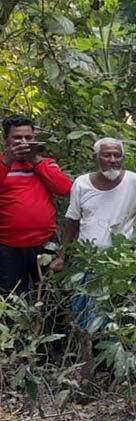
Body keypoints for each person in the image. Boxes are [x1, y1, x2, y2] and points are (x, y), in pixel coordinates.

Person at [51, 137, 136, 268]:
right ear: (96, 158)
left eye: (117, 156)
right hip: (87, 259)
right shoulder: (81, 183)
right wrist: (62, 256)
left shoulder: (135, 181)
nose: (113, 160)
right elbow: (73, 221)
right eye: (107, 155)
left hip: (123, 260)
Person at [0, 114, 72, 293]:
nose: (23, 142)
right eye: (17, 138)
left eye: (28, 138)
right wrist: (8, 160)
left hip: (45, 244)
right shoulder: (2, 164)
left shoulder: (46, 164)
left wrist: (36, 160)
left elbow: (64, 189)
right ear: (6, 141)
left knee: (51, 297)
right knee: (12, 301)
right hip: (8, 246)